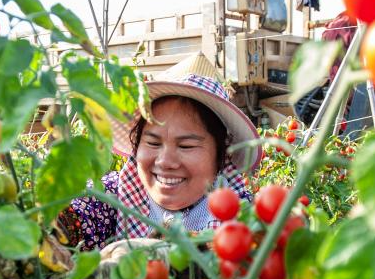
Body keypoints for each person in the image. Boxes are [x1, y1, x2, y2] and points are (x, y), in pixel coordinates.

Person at [60, 54, 261, 253]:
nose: (165, 161)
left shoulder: (244, 221)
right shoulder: (113, 198)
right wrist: (56, 227)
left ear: (221, 155)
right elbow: (81, 210)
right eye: (153, 142)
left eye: (186, 146)